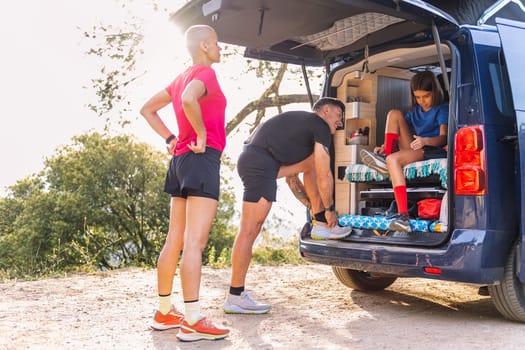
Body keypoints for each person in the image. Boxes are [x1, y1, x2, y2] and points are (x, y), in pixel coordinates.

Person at [140, 24, 229, 342]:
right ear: (205, 46)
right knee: (195, 243)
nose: (221, 49)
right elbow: (191, 100)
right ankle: (192, 320)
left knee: (174, 240)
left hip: (179, 161)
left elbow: (147, 109)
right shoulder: (204, 74)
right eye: (217, 44)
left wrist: (170, 137)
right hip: (201, 160)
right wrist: (202, 136)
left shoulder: (179, 78)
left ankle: (165, 312)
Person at [223, 97, 352, 315]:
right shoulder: (319, 125)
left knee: (311, 162)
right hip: (260, 165)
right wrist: (330, 210)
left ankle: (319, 223)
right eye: (339, 116)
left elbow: (293, 178)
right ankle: (235, 296)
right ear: (326, 110)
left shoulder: (299, 130)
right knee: (249, 231)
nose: (340, 123)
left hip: (257, 161)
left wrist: (315, 211)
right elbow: (324, 174)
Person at [360, 70, 448, 232]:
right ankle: (385, 152)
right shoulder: (415, 112)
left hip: (430, 149)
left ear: (435, 92)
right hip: (415, 146)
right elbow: (399, 129)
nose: (422, 101)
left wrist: (424, 141)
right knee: (394, 113)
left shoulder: (442, 109)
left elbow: (444, 138)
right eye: (418, 97)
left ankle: (403, 215)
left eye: (426, 96)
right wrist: (383, 145)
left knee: (393, 160)